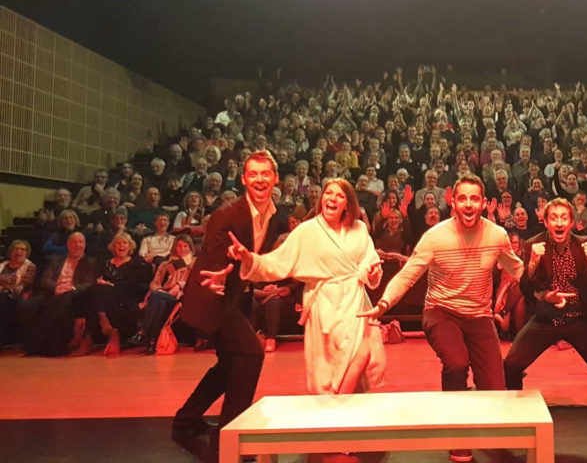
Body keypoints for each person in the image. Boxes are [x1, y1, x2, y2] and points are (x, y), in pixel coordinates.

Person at [359, 173, 523, 463]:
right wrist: (383, 302)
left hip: (479, 316)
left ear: (484, 203)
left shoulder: (496, 235)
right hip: (441, 312)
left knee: (495, 390)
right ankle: (456, 436)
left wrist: (548, 287)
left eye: (475, 199)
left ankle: (469, 403)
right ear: (453, 203)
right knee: (457, 363)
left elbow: (517, 268)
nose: (469, 204)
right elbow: (408, 274)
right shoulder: (435, 237)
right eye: (463, 199)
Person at [174, 150, 289, 451]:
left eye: (266, 173)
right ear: (244, 179)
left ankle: (186, 418)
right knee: (252, 355)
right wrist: (222, 269)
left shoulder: (276, 215)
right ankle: (232, 435)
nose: (260, 179)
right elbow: (214, 253)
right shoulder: (226, 216)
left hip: (235, 298)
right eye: (253, 174)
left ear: (275, 178)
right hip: (212, 297)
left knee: (230, 362)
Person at [230, 178, 386, 394]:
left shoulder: (359, 228)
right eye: (329, 193)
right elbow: (279, 261)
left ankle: (343, 404)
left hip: (355, 301)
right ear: (322, 199)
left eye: (340, 195)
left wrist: (372, 272)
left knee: (363, 352)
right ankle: (335, 406)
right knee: (332, 365)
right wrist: (251, 259)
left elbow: (370, 261)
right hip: (324, 303)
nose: (332, 198)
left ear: (347, 204)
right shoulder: (307, 230)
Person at [504, 199, 587, 446]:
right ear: (545, 221)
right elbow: (525, 287)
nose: (559, 222)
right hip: (546, 317)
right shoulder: (534, 244)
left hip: (580, 318)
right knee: (511, 364)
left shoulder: (585, 244)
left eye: (563, 217)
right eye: (553, 217)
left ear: (572, 222)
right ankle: (517, 422)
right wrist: (533, 264)